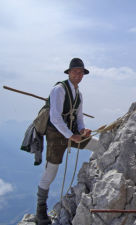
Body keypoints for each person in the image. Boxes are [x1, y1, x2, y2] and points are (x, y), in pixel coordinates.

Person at [35, 58, 100, 225]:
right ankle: (40, 212)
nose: (78, 75)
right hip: (56, 136)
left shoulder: (78, 94)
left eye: (81, 72)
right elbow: (55, 118)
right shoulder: (59, 89)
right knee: (51, 172)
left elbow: (79, 118)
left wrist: (82, 131)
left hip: (72, 134)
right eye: (75, 71)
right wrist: (72, 136)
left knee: (98, 145)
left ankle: (98, 177)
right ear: (69, 73)